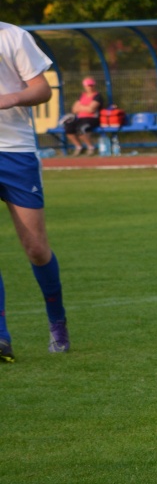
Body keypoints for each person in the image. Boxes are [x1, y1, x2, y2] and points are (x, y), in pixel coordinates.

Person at [0, 22, 70, 362]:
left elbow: (42, 90)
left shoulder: (13, 36)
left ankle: (57, 322)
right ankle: (1, 337)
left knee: (37, 249)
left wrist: (9, 98)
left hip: (15, 152)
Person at [64, 76, 104, 156]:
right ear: (84, 86)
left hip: (92, 119)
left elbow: (91, 109)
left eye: (91, 85)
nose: (90, 87)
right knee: (68, 127)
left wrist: (81, 107)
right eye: (88, 85)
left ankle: (91, 147)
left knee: (81, 129)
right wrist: (86, 107)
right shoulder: (82, 95)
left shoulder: (97, 96)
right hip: (80, 118)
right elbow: (74, 109)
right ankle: (79, 147)